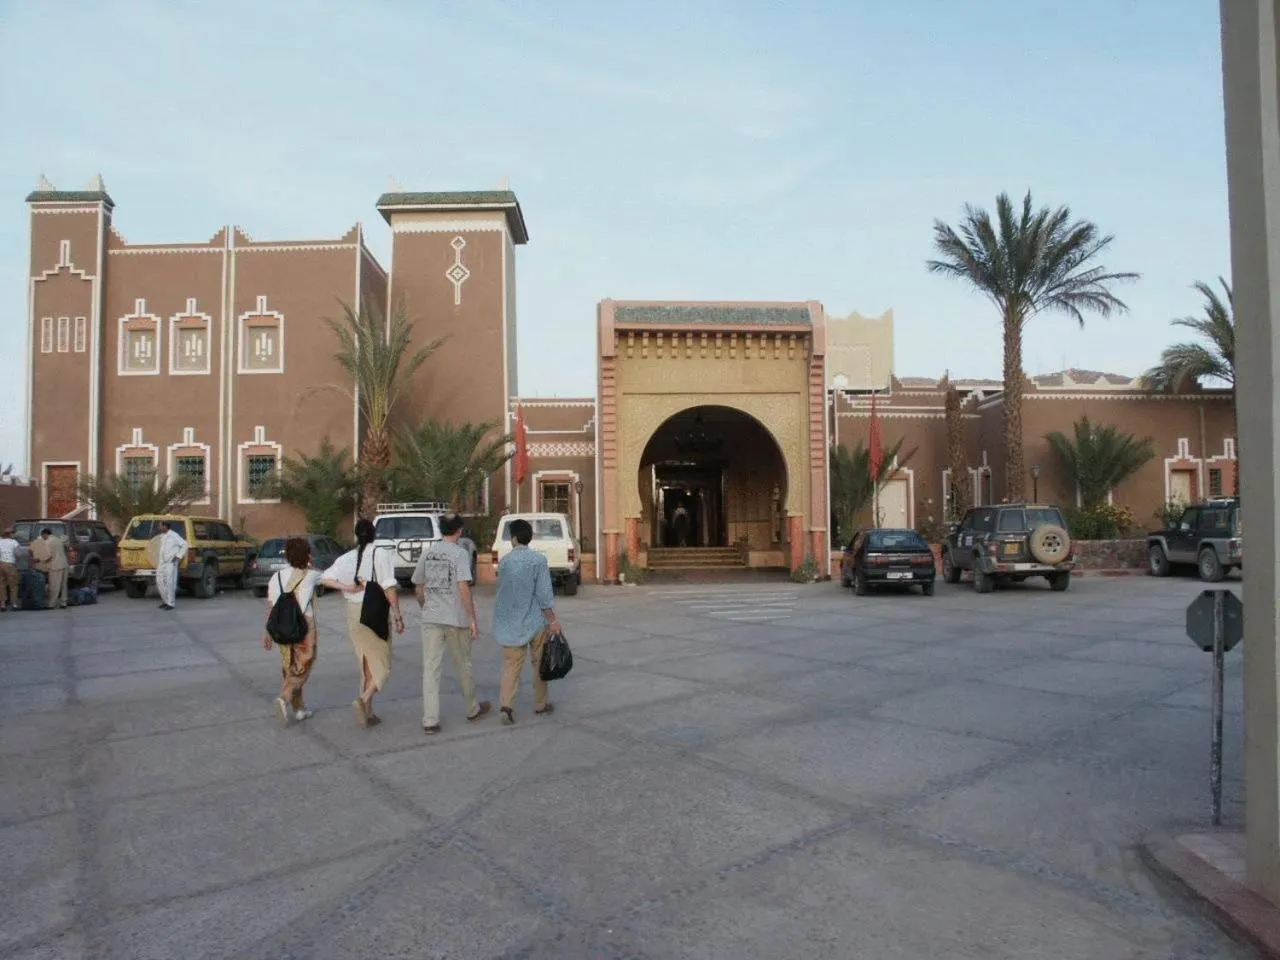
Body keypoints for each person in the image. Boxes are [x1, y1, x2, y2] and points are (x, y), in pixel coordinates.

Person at [412, 514, 490, 734]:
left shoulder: (428, 552)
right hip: (455, 617)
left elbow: (418, 585)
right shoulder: (460, 554)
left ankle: (430, 719)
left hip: (431, 617)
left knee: (430, 668)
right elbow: (464, 589)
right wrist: (472, 618)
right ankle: (472, 708)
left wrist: (424, 606)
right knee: (463, 664)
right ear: (459, 530)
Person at [263, 537, 354, 725]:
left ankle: (299, 709)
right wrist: (351, 588)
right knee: (304, 664)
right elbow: (330, 581)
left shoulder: (276, 577)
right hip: (304, 626)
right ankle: (284, 697)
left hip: (280, 626)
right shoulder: (311, 575)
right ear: (306, 555)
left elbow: (271, 607)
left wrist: (267, 633)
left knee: (290, 665)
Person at [323, 519, 403, 727]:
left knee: (366, 661)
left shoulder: (345, 558)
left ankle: (368, 713)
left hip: (352, 613)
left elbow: (324, 578)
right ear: (374, 534)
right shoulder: (381, 553)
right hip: (373, 612)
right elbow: (388, 587)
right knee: (383, 665)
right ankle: (364, 699)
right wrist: (397, 615)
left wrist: (348, 588)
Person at [492, 517, 562, 725]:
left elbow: (503, 593)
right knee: (539, 662)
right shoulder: (538, 561)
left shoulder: (504, 563)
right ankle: (541, 703)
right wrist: (553, 620)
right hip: (535, 622)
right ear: (529, 538)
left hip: (510, 622)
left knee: (511, 665)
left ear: (513, 539)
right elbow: (544, 594)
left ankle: (506, 706)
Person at [30, 528, 69, 609]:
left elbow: (48, 556)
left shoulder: (48, 542)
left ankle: (51, 604)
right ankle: (63, 602)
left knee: (54, 586)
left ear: (45, 534)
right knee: (63, 585)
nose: (42, 537)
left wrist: (39, 560)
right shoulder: (58, 540)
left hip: (55, 566)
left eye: (42, 535)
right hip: (64, 564)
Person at [155, 520, 188, 610]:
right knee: (159, 581)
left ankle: (170, 603)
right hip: (162, 563)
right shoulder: (162, 536)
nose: (159, 527)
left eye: (160, 526)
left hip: (171, 563)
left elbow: (185, 544)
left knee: (170, 583)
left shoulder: (174, 535)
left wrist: (178, 556)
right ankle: (165, 601)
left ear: (165, 526)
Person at [0, 528, 19, 612]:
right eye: (13, 533)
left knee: (1, 585)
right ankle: (14, 604)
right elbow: (18, 554)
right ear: (10, 534)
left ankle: (3, 604)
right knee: (13, 586)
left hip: (1, 564)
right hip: (10, 565)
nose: (14, 535)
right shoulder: (14, 542)